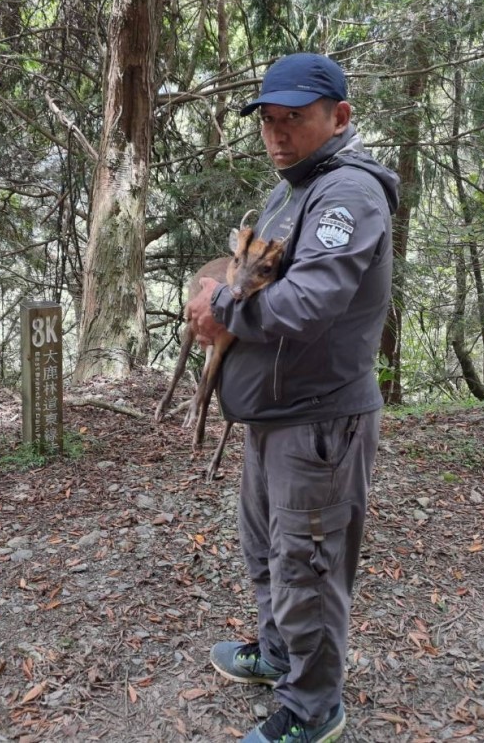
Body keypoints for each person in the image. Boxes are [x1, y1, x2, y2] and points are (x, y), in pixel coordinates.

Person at [186, 53, 399, 743]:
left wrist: (223, 307)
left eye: (295, 120)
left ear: (339, 118)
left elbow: (311, 300)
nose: (278, 134)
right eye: (269, 121)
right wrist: (220, 296)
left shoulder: (349, 195)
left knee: (308, 566)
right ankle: (278, 656)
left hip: (319, 421)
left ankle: (313, 708)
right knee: (268, 551)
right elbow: (257, 275)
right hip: (275, 413)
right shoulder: (294, 187)